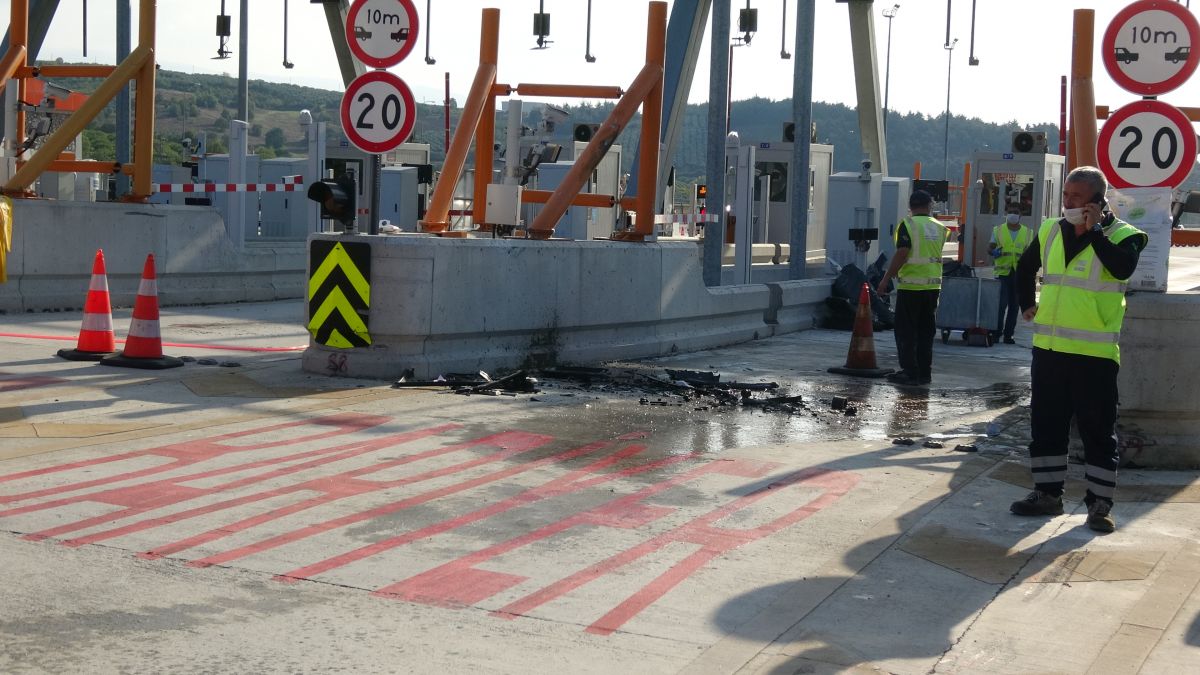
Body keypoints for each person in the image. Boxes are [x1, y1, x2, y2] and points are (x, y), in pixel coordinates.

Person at [1009, 166, 1147, 533]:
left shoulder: (1126, 236)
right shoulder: (1051, 230)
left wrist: (1095, 231)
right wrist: (1026, 303)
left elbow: (1121, 270)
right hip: (1050, 349)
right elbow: (1024, 269)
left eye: (1076, 198)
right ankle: (1047, 493)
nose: (1067, 202)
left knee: (1097, 430)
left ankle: (1099, 504)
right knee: (1047, 425)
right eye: (1066, 195)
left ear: (1098, 203)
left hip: (1095, 355)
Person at [876, 189, 950, 386]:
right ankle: (924, 373)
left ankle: (909, 372)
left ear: (910, 207)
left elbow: (902, 253)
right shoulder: (940, 227)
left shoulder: (907, 225)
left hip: (911, 288)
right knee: (926, 331)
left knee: (906, 331)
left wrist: (885, 279)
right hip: (933, 287)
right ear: (930, 206)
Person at [988, 203, 1032, 344]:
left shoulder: (1028, 233)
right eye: (1010, 211)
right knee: (1001, 305)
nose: (1012, 214)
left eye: (1016, 212)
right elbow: (990, 248)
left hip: (1019, 275)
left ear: (1021, 215)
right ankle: (996, 333)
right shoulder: (998, 230)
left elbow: (1031, 253)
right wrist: (993, 252)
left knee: (1014, 306)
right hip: (1003, 273)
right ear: (1006, 213)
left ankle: (1009, 335)